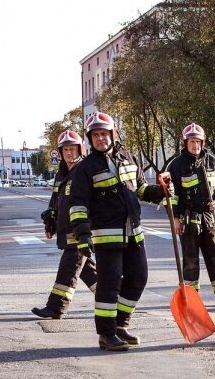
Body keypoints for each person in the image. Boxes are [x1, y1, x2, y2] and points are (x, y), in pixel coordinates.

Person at [69, 112, 169, 351]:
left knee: (139, 278)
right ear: (90, 139)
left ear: (113, 134)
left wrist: (159, 191)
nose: (100, 138)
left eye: (104, 133)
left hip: (134, 232)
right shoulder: (85, 168)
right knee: (109, 283)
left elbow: (140, 189)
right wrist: (83, 235)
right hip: (107, 234)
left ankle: (120, 325)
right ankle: (106, 334)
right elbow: (78, 204)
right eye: (95, 135)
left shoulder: (128, 158)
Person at [164, 123, 215, 308]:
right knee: (191, 263)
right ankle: (191, 301)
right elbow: (170, 196)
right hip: (188, 223)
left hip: (210, 220)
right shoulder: (176, 165)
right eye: (192, 141)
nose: (195, 145)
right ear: (185, 142)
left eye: (198, 141)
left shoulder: (212, 161)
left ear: (203, 142)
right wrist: (175, 219)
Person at [32, 130, 97, 319]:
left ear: (80, 150)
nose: (69, 153)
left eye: (72, 149)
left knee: (68, 268)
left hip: (80, 230)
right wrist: (50, 222)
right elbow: (55, 201)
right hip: (65, 229)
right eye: (65, 149)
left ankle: (56, 307)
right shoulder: (61, 174)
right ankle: (112, 299)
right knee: (87, 271)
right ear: (60, 153)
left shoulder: (84, 171)